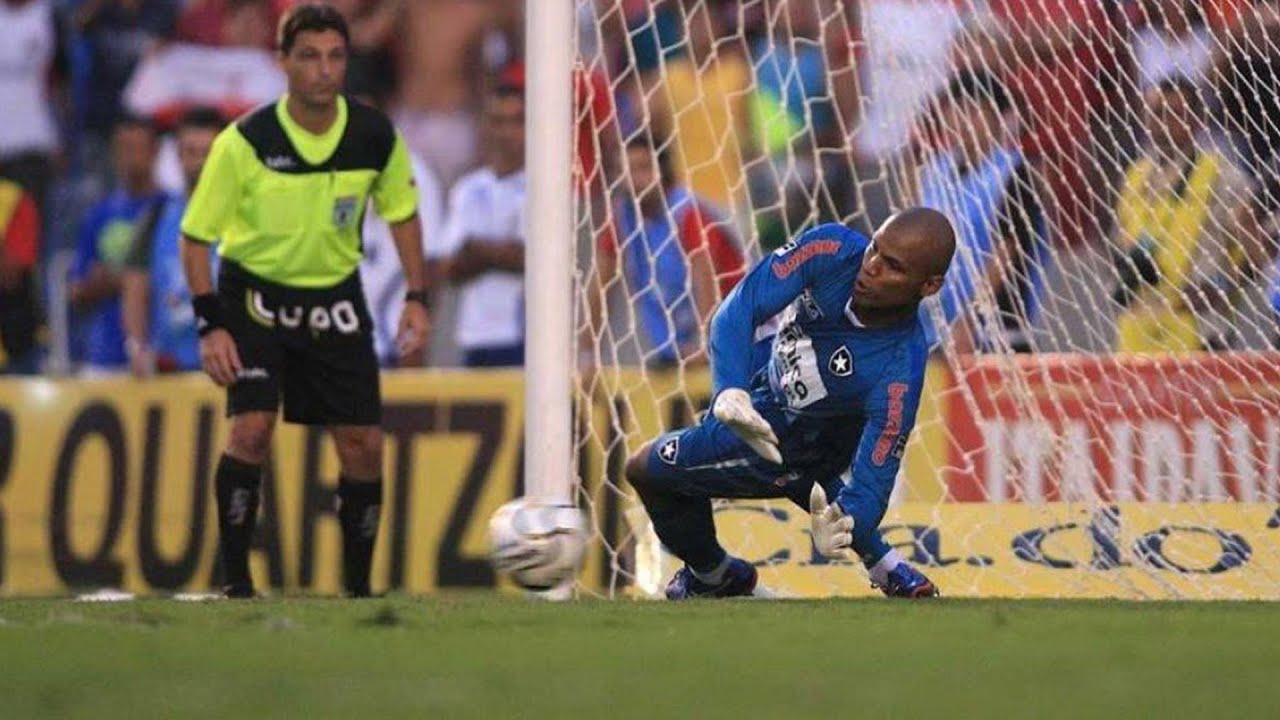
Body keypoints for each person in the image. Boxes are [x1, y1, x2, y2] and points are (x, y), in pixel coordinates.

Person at [179, 4, 428, 598]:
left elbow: (403, 214)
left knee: (363, 443)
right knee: (251, 430)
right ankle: (236, 583)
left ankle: (357, 590)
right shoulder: (245, 142)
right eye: (310, 56)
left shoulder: (372, 134)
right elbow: (195, 240)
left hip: (334, 298)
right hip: (255, 296)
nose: (324, 70)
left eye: (336, 56)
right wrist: (211, 325)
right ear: (282, 62)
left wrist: (417, 297)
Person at [625, 208, 956, 600]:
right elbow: (738, 309)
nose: (871, 267)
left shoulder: (899, 369)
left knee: (645, 469)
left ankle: (714, 577)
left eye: (893, 267)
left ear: (929, 286)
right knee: (784, 454)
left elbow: (873, 481)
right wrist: (729, 389)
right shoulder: (831, 248)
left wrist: (847, 521)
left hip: (789, 437)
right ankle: (887, 566)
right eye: (874, 249)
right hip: (762, 375)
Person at [1111, 77, 1253, 352]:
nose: (1162, 123)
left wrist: (1224, 285)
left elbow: (1258, 243)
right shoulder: (1135, 176)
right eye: (1155, 113)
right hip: (1142, 328)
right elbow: (1120, 241)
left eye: (1175, 114)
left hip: (1204, 329)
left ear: (1198, 122)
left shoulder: (1223, 176)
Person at [917, 71, 1048, 353]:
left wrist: (971, 319)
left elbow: (1007, 253)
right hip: (936, 327)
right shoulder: (935, 171)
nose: (964, 121)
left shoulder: (1015, 173)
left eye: (975, 111)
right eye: (957, 110)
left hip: (997, 330)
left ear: (999, 119)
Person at [586, 138, 746, 366]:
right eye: (625, 170)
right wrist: (587, 351)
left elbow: (705, 277)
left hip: (737, 334)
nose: (634, 179)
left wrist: (705, 341)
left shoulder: (688, 213)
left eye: (643, 168)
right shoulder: (622, 217)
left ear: (663, 171)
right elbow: (601, 283)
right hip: (674, 345)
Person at [121, 107, 225, 377]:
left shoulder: (248, 217)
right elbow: (135, 288)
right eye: (191, 152)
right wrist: (136, 347)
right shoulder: (155, 218)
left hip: (232, 366)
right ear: (178, 155)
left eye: (209, 152)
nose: (200, 162)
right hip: (171, 371)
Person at [438, 67, 527, 368]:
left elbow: (531, 260)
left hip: (522, 333)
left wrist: (475, 248)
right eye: (498, 122)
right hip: (474, 335)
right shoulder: (468, 189)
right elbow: (449, 266)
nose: (507, 132)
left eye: (517, 122)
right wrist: (503, 253)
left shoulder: (543, 188)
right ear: (486, 126)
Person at [69, 114, 165, 371]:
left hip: (158, 350)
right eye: (122, 149)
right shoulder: (99, 214)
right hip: (103, 351)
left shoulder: (170, 211)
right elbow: (76, 288)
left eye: (137, 149)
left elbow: (171, 279)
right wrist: (123, 281)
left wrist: (118, 279)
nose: (129, 158)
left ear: (155, 152)